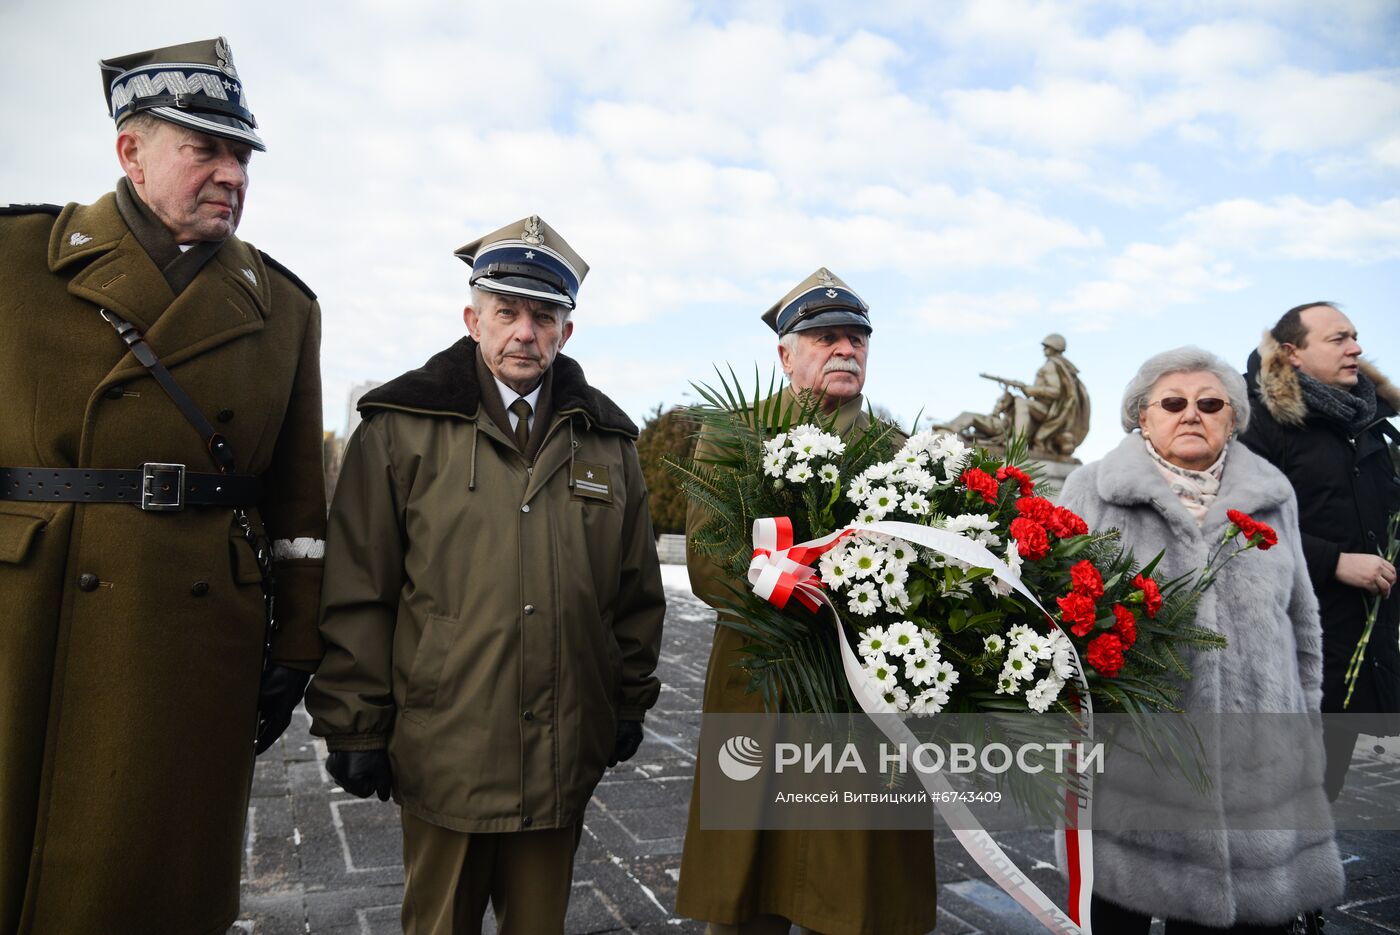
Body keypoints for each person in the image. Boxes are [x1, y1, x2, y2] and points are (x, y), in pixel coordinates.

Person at [0, 37, 326, 934]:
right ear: (130, 152)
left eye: (241, 155)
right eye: (204, 148)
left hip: (194, 634)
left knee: (159, 882)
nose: (231, 173)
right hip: (31, 621)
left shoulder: (284, 307)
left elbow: (300, 509)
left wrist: (295, 645)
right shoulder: (17, 262)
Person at [305, 215, 666, 935]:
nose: (524, 332)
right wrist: (353, 720)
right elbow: (358, 590)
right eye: (507, 312)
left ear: (568, 330)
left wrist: (627, 698)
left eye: (543, 315)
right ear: (473, 319)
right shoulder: (400, 427)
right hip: (448, 749)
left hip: (563, 750)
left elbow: (634, 593)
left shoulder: (609, 442)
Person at [675, 268, 938, 935]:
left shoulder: (900, 452)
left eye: (856, 338)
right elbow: (712, 560)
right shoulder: (736, 436)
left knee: (855, 897)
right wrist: (810, 588)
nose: (845, 349)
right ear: (786, 355)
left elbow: (928, 576)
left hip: (861, 704)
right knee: (748, 893)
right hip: (763, 687)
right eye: (825, 338)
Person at [1058, 346, 1344, 933]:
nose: (1192, 414)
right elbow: (1055, 619)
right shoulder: (1094, 490)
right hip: (1134, 771)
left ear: (1233, 418)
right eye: (1173, 403)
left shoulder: (1272, 494)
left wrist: (1306, 728)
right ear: (1143, 417)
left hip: (1260, 771)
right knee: (1114, 917)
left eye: (1210, 403)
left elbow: (1303, 623)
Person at [1239, 302, 1400, 799]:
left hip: (1371, 650)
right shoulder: (1257, 422)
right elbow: (1237, 523)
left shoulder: (1373, 423)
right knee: (1285, 804)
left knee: (1347, 805)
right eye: (1338, 339)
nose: (1355, 348)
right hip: (1296, 649)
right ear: (1294, 353)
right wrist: (1334, 562)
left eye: (1355, 337)